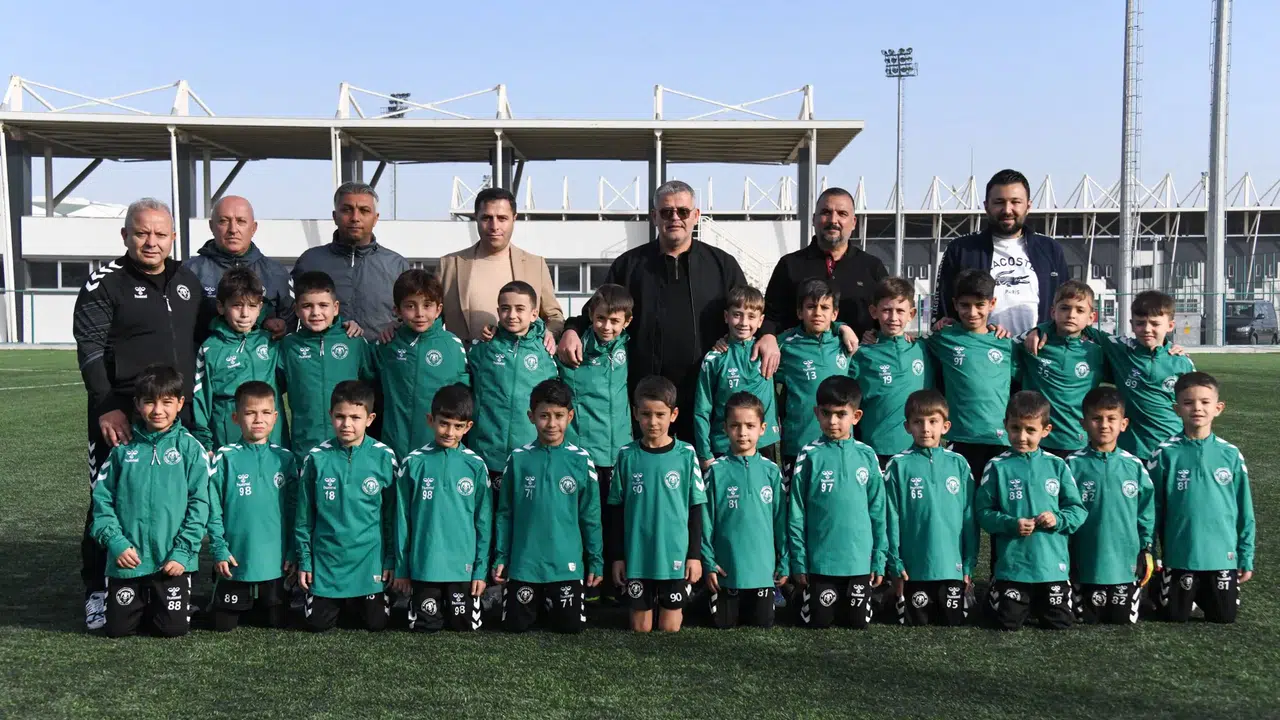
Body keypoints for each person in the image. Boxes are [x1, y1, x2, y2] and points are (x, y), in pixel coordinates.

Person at [557, 180, 775, 442]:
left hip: (705, 394)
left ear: (696, 215)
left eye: (682, 211)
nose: (675, 218)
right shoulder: (630, 265)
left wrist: (768, 335)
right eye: (666, 212)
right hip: (647, 397)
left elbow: (749, 310)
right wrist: (571, 330)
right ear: (654, 216)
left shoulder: (722, 265)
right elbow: (595, 311)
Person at [73, 197, 202, 629]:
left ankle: (168, 587)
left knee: (172, 500)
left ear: (173, 237)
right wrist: (108, 406)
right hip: (122, 416)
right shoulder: (105, 282)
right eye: (142, 232)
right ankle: (97, 589)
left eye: (160, 234)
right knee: (109, 499)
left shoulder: (187, 280)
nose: (151, 241)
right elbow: (90, 348)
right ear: (125, 235)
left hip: (174, 415)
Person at [89, 364, 210, 638]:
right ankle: (138, 601)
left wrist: (183, 552)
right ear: (137, 404)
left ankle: (165, 602)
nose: (158, 410)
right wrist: (116, 543)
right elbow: (102, 501)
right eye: (149, 402)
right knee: (118, 629)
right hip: (127, 561)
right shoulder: (122, 450)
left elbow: (200, 504)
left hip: (171, 561)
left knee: (172, 629)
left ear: (180, 404)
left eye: (167, 402)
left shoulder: (190, 448)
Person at [1026, 290, 1194, 460]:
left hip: (1172, 446)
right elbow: (1078, 325)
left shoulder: (1181, 361)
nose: (1147, 329)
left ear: (1170, 326)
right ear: (1132, 324)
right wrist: (1040, 329)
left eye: (1155, 324)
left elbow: (1195, 405)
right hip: (1133, 447)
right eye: (1140, 323)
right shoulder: (1119, 348)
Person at [493, 380, 603, 634]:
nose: (552, 424)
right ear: (531, 417)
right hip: (525, 565)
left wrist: (595, 561)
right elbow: (505, 513)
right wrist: (501, 557)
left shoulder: (581, 460)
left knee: (570, 627)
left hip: (565, 565)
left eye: (559, 416)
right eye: (544, 416)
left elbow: (590, 516)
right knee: (515, 626)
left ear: (570, 416)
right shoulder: (518, 459)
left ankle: (549, 601)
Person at [1148, 372, 1255, 624]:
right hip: (1180, 556)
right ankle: (1159, 587)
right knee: (1174, 616)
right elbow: (1152, 509)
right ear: (1177, 409)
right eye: (1188, 402)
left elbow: (1245, 510)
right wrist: (1149, 551)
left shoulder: (1231, 454)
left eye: (1205, 402)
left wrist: (1245, 555)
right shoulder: (1164, 454)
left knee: (1224, 617)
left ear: (1218, 408)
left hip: (1221, 557)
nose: (1197, 408)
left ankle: (1207, 591)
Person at [977, 391, 1087, 631]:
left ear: (1046, 430)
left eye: (1030, 430)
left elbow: (1078, 510)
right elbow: (983, 513)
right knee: (1007, 622)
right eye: (1015, 428)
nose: (1022, 437)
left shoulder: (1057, 465)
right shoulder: (997, 466)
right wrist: (1010, 524)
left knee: (1059, 623)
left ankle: (1040, 600)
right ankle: (999, 590)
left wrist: (1057, 519)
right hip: (1014, 568)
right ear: (1005, 425)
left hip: (1051, 568)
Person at [295, 381, 398, 632]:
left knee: (376, 623)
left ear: (370, 419)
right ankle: (336, 599)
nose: (346, 424)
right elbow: (304, 517)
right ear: (330, 415)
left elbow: (392, 516)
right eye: (340, 416)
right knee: (318, 624)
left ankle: (364, 598)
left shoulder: (385, 457)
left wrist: (390, 560)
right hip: (328, 561)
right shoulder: (316, 458)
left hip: (369, 559)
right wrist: (305, 561)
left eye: (355, 417)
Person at [607, 375, 706, 633]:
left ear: (673, 415)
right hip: (637, 556)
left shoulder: (686, 454)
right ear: (635, 414)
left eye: (660, 415)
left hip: (674, 555)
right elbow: (616, 511)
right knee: (641, 629)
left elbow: (696, 509)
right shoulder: (626, 455)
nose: (653, 422)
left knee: (669, 628)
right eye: (646, 414)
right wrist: (617, 557)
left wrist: (694, 556)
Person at [788, 376, 886, 629]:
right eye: (826, 413)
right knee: (818, 622)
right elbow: (796, 512)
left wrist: (878, 559)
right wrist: (799, 560)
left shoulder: (867, 456)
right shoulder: (808, 456)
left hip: (858, 561)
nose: (832, 421)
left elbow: (878, 511)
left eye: (841, 414)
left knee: (857, 623)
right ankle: (802, 595)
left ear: (856, 416)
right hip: (822, 562)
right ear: (816, 413)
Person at [392, 384, 492, 632]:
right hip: (425, 565)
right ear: (431, 420)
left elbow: (483, 522)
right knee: (426, 625)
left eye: (458, 426)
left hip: (462, 567)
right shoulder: (413, 463)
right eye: (444, 424)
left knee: (463, 626)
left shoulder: (476, 466)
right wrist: (402, 569)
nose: (449, 432)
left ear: (468, 427)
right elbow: (402, 519)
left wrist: (479, 571)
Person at [559, 283, 633, 599]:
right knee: (584, 518)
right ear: (590, 315)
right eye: (601, 318)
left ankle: (614, 583)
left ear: (627, 322)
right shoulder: (573, 348)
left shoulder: (630, 347)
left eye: (615, 321)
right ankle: (584, 580)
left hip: (618, 451)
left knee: (614, 519)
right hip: (584, 451)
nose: (607, 326)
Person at [205, 381, 298, 632]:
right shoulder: (225, 457)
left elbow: (295, 512)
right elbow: (213, 509)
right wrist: (219, 548)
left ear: (276, 417)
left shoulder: (285, 459)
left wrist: (293, 551)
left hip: (276, 562)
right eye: (250, 413)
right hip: (236, 560)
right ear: (236, 418)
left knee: (277, 623)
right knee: (222, 625)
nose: (258, 419)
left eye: (266, 412)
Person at [933, 169, 1070, 336]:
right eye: (999, 202)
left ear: (1028, 206)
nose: (1007, 210)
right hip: (980, 349)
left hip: (1038, 349)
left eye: (1015, 202)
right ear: (986, 206)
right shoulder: (961, 250)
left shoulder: (1050, 250)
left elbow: (1068, 303)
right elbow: (944, 313)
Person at [884, 390, 976, 627]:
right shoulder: (898, 465)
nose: (925, 429)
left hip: (951, 566)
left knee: (953, 620)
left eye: (933, 421)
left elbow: (969, 516)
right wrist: (895, 563)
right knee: (915, 620)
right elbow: (890, 517)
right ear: (907, 427)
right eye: (918, 422)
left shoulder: (959, 463)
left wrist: (968, 564)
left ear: (945, 426)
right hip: (914, 568)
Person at [1067, 387, 1155, 625]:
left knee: (1122, 619)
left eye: (1111, 419)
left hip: (1123, 561)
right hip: (1084, 560)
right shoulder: (1070, 465)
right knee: (1085, 618)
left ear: (1123, 424)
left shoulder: (1134, 466)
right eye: (1096, 418)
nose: (1104, 425)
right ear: (1084, 423)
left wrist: (1146, 546)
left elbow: (1146, 511)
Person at [701, 392, 789, 630]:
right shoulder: (716, 472)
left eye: (750, 426)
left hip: (762, 572)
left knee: (763, 622)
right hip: (727, 571)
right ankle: (703, 595)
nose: (742, 432)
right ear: (725, 428)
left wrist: (784, 560)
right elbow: (705, 521)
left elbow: (781, 520)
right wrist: (708, 561)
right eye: (735, 426)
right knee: (723, 623)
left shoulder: (771, 471)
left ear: (762, 429)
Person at [439, 187, 563, 350]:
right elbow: (429, 317)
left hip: (518, 362)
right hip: (463, 363)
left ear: (514, 219)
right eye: (487, 218)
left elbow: (554, 317)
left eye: (502, 218)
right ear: (476, 218)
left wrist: (548, 334)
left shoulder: (535, 265)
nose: (494, 226)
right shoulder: (449, 265)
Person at [926, 269, 1017, 487]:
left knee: (997, 499)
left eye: (980, 305)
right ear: (955, 304)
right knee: (961, 498)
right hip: (961, 437)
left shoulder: (1005, 343)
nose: (972, 312)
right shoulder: (944, 338)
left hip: (999, 437)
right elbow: (910, 344)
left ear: (992, 303)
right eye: (965, 305)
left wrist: (1039, 332)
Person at [277, 271, 376, 463]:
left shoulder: (354, 341)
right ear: (296, 309)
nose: (316, 313)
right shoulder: (288, 346)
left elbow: (372, 386)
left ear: (335, 308)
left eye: (323, 305)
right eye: (307, 306)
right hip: (305, 446)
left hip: (350, 446)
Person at [764, 187, 887, 338]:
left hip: (860, 352)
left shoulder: (872, 267)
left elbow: (891, 314)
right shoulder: (789, 265)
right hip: (800, 352)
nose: (833, 220)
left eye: (842, 214)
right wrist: (767, 337)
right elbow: (769, 318)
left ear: (854, 222)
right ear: (814, 219)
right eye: (826, 212)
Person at [466, 280, 559, 479]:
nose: (512, 315)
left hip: (530, 452)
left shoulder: (546, 352)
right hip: (486, 452)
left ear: (534, 314)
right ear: (498, 311)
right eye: (505, 308)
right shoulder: (484, 347)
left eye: (520, 309)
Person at [291, 182, 408, 336]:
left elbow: (414, 316)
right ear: (335, 216)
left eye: (364, 210)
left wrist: (398, 325)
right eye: (347, 210)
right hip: (322, 350)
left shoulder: (397, 266)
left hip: (381, 351)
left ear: (375, 218)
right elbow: (290, 315)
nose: (355, 218)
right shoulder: (309, 262)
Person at [375, 269, 469, 460]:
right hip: (394, 445)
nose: (419, 314)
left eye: (427, 305)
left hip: (437, 449)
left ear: (438, 309)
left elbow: (462, 396)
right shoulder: (387, 344)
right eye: (410, 306)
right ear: (397, 310)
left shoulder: (452, 345)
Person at [193, 268, 287, 451]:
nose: (245, 313)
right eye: (237, 305)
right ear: (221, 307)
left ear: (260, 308)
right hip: (228, 440)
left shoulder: (270, 342)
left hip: (272, 441)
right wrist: (205, 443)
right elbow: (201, 398)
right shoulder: (211, 348)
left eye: (252, 306)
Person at [1015, 281, 1106, 458]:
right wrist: (1039, 329)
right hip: (1035, 440)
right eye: (1065, 308)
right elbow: (997, 342)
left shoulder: (1097, 352)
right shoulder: (1033, 343)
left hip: (1078, 440)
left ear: (1091, 317)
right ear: (1053, 312)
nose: (1071, 315)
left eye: (1080, 310)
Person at [185, 195, 294, 342]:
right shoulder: (189, 272)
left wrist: (279, 327)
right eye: (224, 221)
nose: (233, 229)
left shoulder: (277, 273)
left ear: (253, 228)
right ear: (211, 226)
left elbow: (292, 325)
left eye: (241, 221)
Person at [693, 286, 780, 469]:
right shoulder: (714, 359)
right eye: (737, 315)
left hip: (763, 443)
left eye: (751, 316)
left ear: (761, 320)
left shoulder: (769, 352)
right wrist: (704, 453)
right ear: (726, 317)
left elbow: (805, 340)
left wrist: (838, 327)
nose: (743, 322)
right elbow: (702, 409)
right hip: (724, 445)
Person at [850, 277, 933, 465]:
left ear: (911, 314)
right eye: (886, 310)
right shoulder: (862, 355)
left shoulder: (923, 349)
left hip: (918, 448)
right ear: (874, 312)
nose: (893, 318)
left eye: (900, 311)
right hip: (876, 449)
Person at [776, 279, 853, 479]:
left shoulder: (846, 344)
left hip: (840, 443)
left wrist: (842, 327)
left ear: (834, 314)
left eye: (824, 307)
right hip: (798, 444)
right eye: (811, 307)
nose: (817, 313)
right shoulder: (784, 345)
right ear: (799, 312)